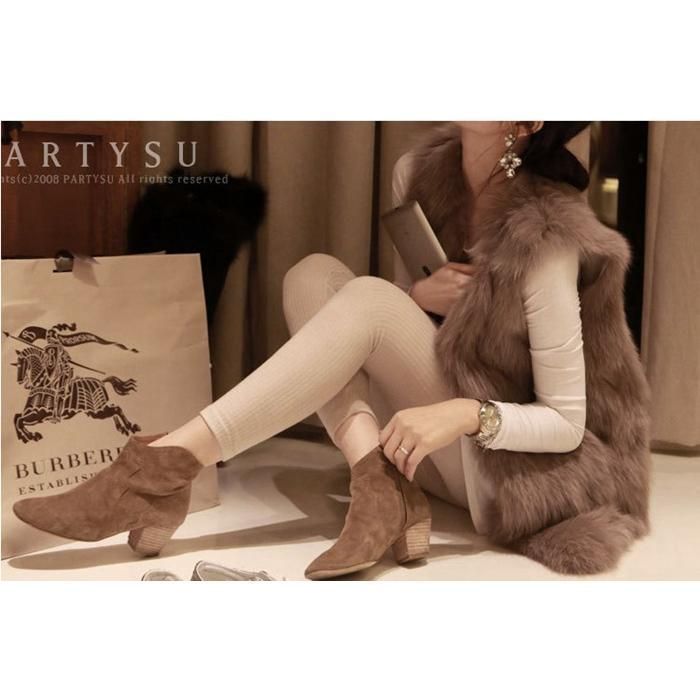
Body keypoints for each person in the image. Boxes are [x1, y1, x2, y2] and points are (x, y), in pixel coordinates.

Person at [13, 121, 650, 579]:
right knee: (313, 274)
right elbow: (394, 327)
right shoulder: (420, 172)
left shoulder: (547, 234)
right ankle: (381, 487)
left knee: (366, 298)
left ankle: (162, 468)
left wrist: (463, 414)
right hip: (417, 439)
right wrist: (419, 295)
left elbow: (567, 424)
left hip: (508, 471)